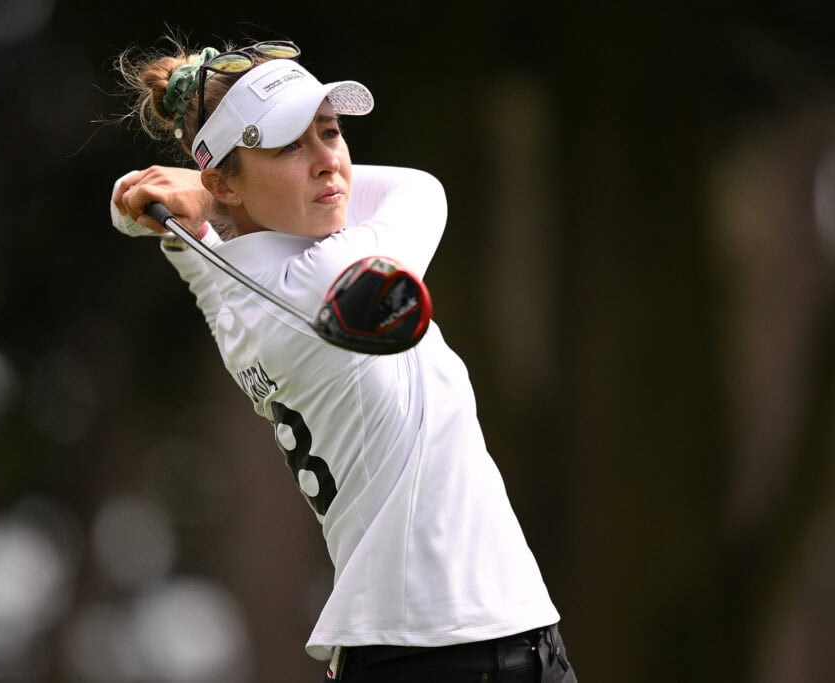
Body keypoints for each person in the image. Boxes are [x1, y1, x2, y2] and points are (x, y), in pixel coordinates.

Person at [110, 37, 578, 683]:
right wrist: (200, 199)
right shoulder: (329, 274)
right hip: (448, 652)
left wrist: (196, 201)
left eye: (329, 132)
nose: (327, 161)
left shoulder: (232, 288)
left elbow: (196, 246)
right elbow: (422, 190)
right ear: (223, 181)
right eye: (289, 145)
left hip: (475, 640)